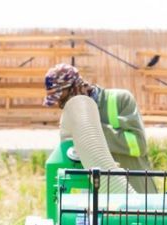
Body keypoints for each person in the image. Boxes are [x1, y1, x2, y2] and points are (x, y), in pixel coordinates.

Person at [43, 63, 156, 192]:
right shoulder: (71, 118)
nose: (60, 104)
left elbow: (138, 145)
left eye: (61, 97)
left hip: (136, 196)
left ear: (77, 87)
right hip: (98, 202)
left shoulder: (120, 100)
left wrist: (87, 128)